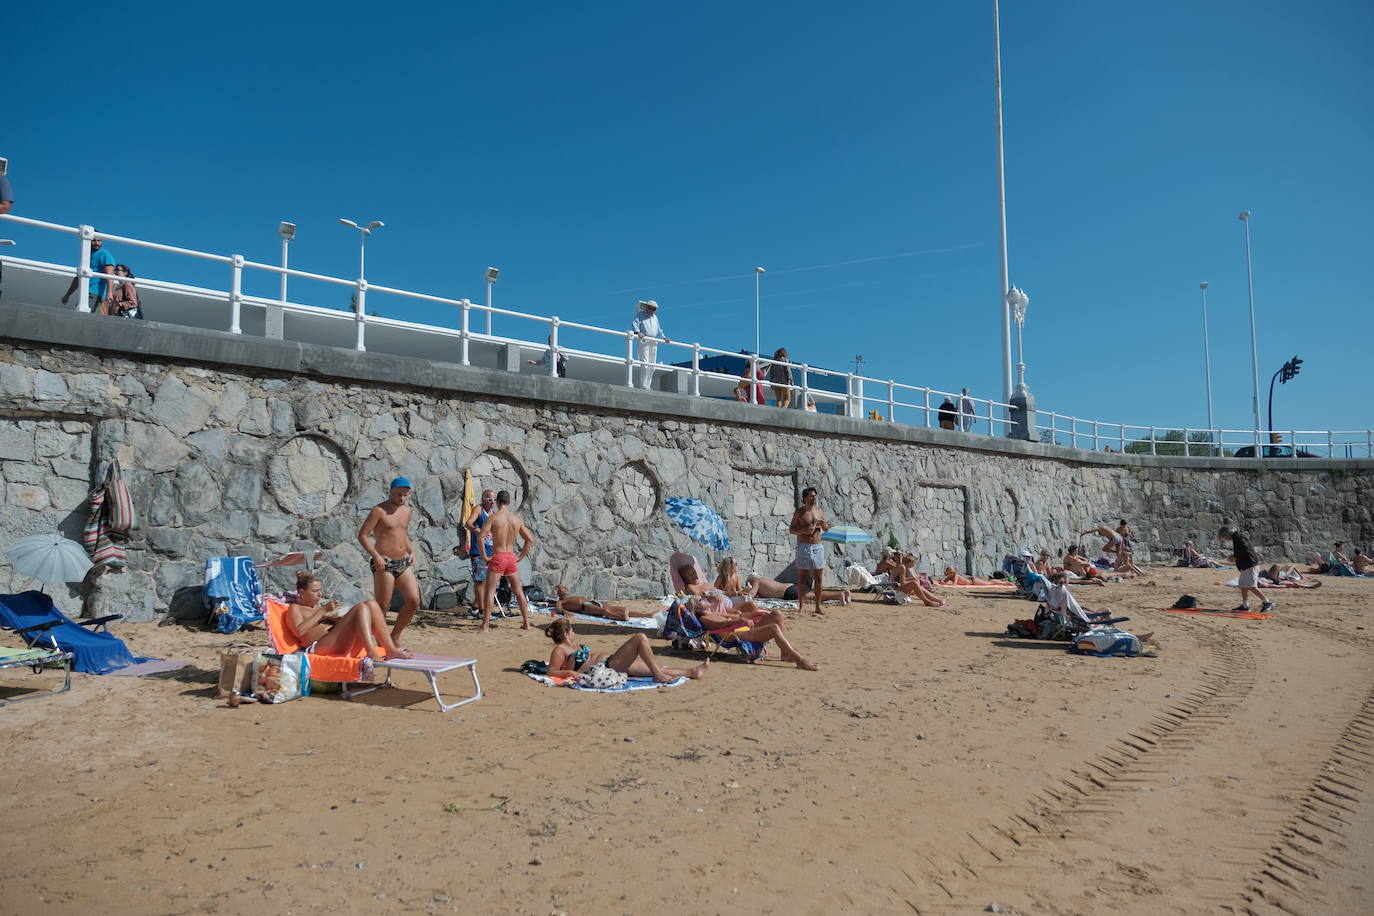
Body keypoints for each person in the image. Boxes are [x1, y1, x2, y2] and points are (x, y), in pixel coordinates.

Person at [284, 571, 412, 661]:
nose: (320, 594)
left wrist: (334, 620)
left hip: (338, 642)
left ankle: (390, 649)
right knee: (360, 608)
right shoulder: (295, 608)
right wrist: (323, 610)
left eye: (320, 590)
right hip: (319, 647)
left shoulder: (316, 608)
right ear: (301, 592)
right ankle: (371, 652)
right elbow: (298, 631)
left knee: (371, 604)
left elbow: (319, 624)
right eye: (315, 591)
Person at [357, 477, 422, 641]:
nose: (402, 498)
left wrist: (411, 550)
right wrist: (376, 555)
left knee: (414, 601)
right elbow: (363, 535)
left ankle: (394, 637)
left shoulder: (406, 511)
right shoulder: (379, 511)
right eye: (399, 494)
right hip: (384, 562)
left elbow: (402, 533)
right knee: (383, 606)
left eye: (405, 495)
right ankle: (380, 642)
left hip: (402, 562)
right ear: (391, 491)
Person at [690, 591, 817, 670]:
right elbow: (721, 625)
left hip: (744, 629)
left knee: (777, 614)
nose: (705, 599)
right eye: (701, 600)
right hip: (734, 635)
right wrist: (740, 622)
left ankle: (785, 654)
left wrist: (759, 613)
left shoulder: (716, 612)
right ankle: (799, 660)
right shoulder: (704, 618)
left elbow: (739, 616)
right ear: (697, 609)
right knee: (773, 628)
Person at [477, 490, 535, 631]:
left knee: (490, 591)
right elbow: (529, 540)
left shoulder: (493, 518)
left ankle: (485, 625)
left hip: (498, 556)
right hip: (510, 557)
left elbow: (480, 538)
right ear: (508, 502)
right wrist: (520, 557)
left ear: (497, 502)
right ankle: (526, 623)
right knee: (519, 592)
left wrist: (485, 556)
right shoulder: (516, 520)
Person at [788, 487, 830, 615]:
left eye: (815, 496)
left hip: (817, 546)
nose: (814, 498)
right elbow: (792, 529)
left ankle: (818, 606)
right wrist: (803, 531)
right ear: (805, 498)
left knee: (818, 577)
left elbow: (827, 529)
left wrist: (823, 525)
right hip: (804, 545)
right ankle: (801, 606)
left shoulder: (819, 511)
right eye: (811, 496)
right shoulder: (800, 513)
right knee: (802, 577)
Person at [1219, 523, 1273, 613]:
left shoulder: (1239, 538)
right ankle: (1245, 605)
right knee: (1243, 585)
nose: (1225, 539)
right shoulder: (1237, 538)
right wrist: (1235, 556)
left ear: (1226, 534)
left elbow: (1245, 549)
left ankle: (1268, 602)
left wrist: (1235, 556)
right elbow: (1243, 550)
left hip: (1250, 565)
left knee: (1251, 586)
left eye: (1224, 537)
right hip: (1247, 565)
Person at [61, 236, 117, 313]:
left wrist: (109, 292)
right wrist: (68, 294)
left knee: (83, 318)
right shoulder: (87, 256)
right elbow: (79, 277)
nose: (97, 243)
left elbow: (109, 274)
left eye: (99, 240)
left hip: (95, 293)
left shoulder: (104, 254)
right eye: (94, 241)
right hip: (85, 293)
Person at [464, 489, 496, 614]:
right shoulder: (479, 509)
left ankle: (475, 607)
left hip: (489, 551)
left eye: (493, 499)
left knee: (486, 582)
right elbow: (468, 523)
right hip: (478, 551)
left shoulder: (493, 513)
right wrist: (477, 530)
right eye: (489, 498)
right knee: (480, 581)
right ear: (483, 499)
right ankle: (483, 611)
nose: (492, 501)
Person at [552, 585, 657, 622]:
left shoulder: (571, 597)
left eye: (565, 587)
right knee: (603, 611)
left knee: (623, 609)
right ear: (558, 592)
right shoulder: (561, 601)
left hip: (593, 602)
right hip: (585, 607)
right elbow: (557, 609)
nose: (565, 588)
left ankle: (647, 615)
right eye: (562, 588)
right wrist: (564, 611)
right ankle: (620, 618)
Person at [631, 300, 670, 389]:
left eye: (653, 309)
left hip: (654, 341)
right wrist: (638, 332)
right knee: (644, 364)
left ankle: (648, 385)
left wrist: (664, 337)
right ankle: (643, 385)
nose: (651, 310)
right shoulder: (640, 315)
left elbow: (659, 330)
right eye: (650, 308)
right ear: (646, 307)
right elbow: (634, 324)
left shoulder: (655, 318)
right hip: (644, 340)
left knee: (652, 365)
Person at [744, 574, 852, 605]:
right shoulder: (763, 580)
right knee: (814, 594)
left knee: (815, 597)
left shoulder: (756, 581)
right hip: (790, 587)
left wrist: (744, 594)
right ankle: (843, 593)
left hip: (788, 592)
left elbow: (751, 595)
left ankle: (839, 595)